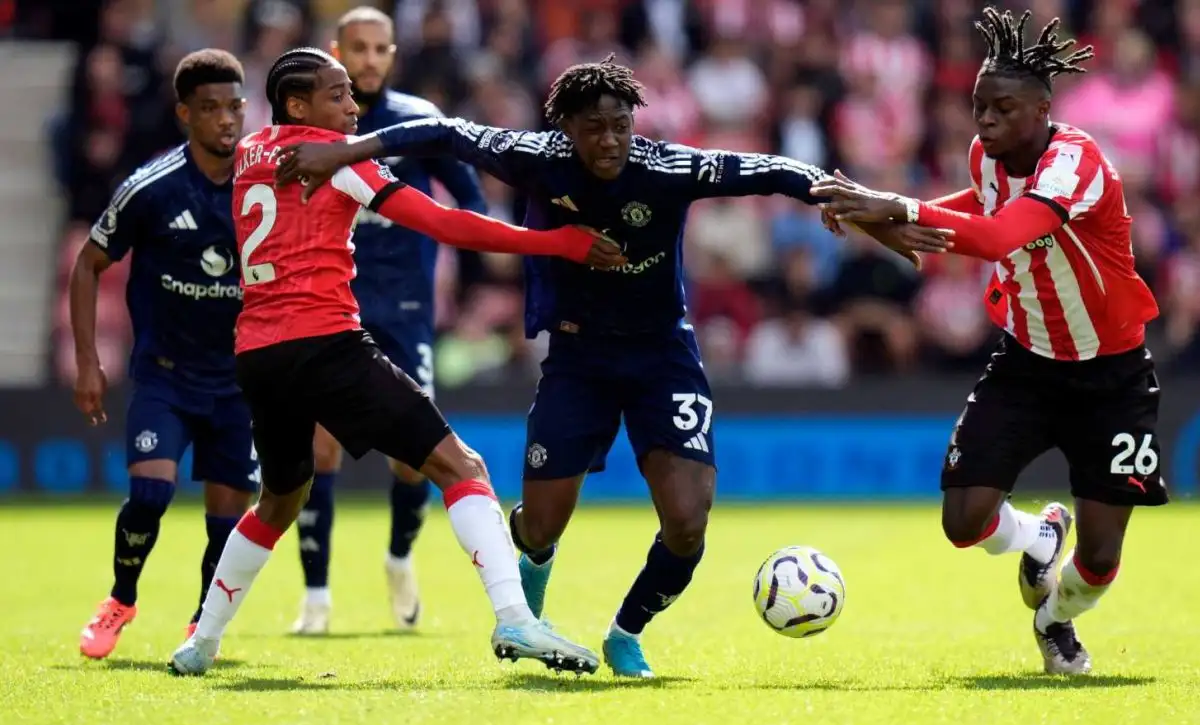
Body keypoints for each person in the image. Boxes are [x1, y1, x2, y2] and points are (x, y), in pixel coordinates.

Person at [274, 55, 952, 678]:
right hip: (578, 358)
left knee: (687, 521)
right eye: (593, 128)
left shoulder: (665, 167)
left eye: (620, 125)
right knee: (539, 528)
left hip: (663, 356)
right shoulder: (536, 158)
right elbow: (444, 133)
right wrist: (349, 150)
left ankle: (626, 633)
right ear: (564, 127)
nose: (609, 140)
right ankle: (530, 593)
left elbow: (776, 169)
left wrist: (871, 211)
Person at [168, 47, 624, 677]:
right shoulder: (341, 165)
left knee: (279, 496)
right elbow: (447, 225)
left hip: (257, 353)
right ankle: (517, 621)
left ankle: (201, 642)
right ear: (298, 105)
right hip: (325, 342)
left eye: (352, 94)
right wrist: (558, 243)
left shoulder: (248, 154)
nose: (354, 108)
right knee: (461, 465)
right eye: (337, 96)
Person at [811, 8, 1166, 675]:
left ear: (1041, 110)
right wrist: (883, 211)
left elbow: (1004, 236)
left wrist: (897, 206)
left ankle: (1056, 618)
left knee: (1100, 560)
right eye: (978, 107)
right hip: (1027, 361)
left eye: (1002, 109)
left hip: (1111, 375)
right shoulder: (989, 156)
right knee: (963, 521)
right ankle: (1037, 535)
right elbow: (978, 204)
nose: (985, 121)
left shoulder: (1076, 164)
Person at [289, 6, 493, 637]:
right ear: (336, 51)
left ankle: (399, 558)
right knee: (317, 448)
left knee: (413, 460)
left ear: (394, 54)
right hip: (328, 309)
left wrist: (471, 269)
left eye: (381, 48)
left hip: (405, 315)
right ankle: (316, 598)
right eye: (358, 48)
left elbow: (472, 199)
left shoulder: (417, 122)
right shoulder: (310, 130)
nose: (370, 59)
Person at [71, 50, 258, 660]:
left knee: (226, 520)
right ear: (185, 114)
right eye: (211, 109)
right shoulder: (150, 189)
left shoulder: (264, 187)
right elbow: (87, 265)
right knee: (150, 494)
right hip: (165, 378)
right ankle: (121, 598)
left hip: (238, 383)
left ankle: (203, 625)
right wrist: (89, 361)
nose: (227, 120)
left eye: (235, 106)